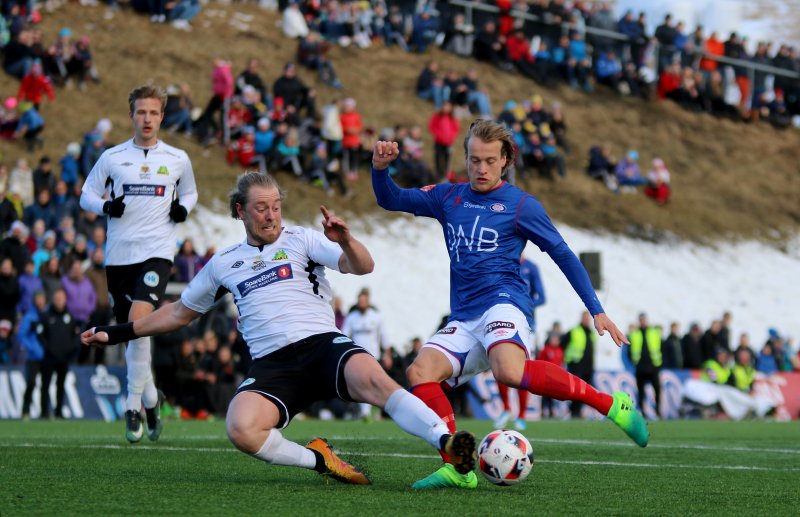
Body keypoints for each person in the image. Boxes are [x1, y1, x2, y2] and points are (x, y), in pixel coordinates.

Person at [82, 171, 476, 486]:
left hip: (324, 347)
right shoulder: (224, 263)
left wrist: (347, 240)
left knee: (379, 382)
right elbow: (179, 312)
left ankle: (445, 443)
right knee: (241, 429)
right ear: (240, 211)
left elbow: (363, 266)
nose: (271, 216)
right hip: (273, 365)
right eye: (261, 209)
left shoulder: (303, 239)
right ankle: (319, 460)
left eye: (275, 207)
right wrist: (117, 332)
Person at [371, 120, 648, 490]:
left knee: (507, 371)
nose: (480, 169)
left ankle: (610, 405)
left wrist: (595, 308)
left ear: (505, 160)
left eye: (488, 161)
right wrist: (379, 169)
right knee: (420, 372)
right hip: (465, 315)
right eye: (473, 160)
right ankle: (458, 466)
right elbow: (391, 198)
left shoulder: (521, 206)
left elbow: (562, 254)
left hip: (505, 302)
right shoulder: (447, 197)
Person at [79, 84, 198, 443]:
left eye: (153, 113)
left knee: (139, 321)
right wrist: (105, 207)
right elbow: (86, 193)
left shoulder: (177, 158)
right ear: (132, 115)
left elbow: (190, 191)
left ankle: (131, 406)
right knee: (133, 335)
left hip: (158, 251)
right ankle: (150, 397)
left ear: (162, 116)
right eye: (141, 112)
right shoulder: (113, 157)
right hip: (119, 255)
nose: (147, 119)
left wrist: (183, 208)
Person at [494, 255, 546, 430]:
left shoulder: (531, 267)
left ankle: (522, 415)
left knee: (522, 368)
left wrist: (524, 302)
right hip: (504, 320)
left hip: (526, 324)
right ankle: (506, 408)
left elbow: (542, 297)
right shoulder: (503, 262)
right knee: (500, 363)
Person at [341, 288, 389, 421]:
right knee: (362, 383)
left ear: (368, 301)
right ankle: (365, 413)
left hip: (374, 355)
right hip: (357, 356)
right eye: (360, 301)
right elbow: (345, 335)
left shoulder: (376, 316)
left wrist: (387, 354)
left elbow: (383, 337)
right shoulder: (351, 317)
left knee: (376, 383)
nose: (361, 303)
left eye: (364, 301)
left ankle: (378, 410)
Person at [628, 313, 663, 418]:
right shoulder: (634, 333)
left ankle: (657, 409)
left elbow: (661, 346)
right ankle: (642, 411)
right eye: (641, 320)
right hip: (640, 366)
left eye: (644, 319)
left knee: (657, 388)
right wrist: (634, 362)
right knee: (641, 390)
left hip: (653, 365)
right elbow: (629, 350)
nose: (643, 321)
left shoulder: (654, 332)